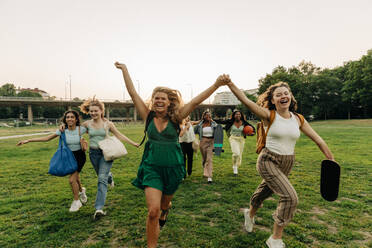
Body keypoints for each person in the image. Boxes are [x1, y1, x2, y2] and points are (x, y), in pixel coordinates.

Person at [115, 61, 229, 248]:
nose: (159, 101)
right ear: (152, 101)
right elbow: (133, 93)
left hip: (173, 167)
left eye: (163, 99)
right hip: (152, 167)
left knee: (164, 205)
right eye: (156, 98)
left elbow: (195, 101)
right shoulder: (148, 116)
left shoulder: (176, 118)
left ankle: (166, 211)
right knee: (152, 211)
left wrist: (216, 85)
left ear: (169, 102)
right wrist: (125, 70)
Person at [227, 80, 335, 248]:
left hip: (287, 162)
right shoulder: (268, 115)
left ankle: (250, 213)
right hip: (268, 160)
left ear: (290, 96)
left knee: (264, 192)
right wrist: (230, 84)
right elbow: (246, 102)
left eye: (286, 93)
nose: (283, 96)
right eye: (278, 95)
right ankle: (275, 239)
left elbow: (318, 139)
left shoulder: (298, 119)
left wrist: (330, 158)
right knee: (290, 197)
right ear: (273, 100)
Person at [79, 97, 139, 219]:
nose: (93, 113)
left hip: (106, 153)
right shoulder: (86, 124)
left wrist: (133, 143)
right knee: (103, 176)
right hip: (93, 154)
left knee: (101, 179)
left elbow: (119, 135)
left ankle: (99, 208)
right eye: (91, 111)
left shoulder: (108, 124)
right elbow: (75, 133)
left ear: (101, 111)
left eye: (96, 111)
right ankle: (110, 177)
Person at [17, 110, 88, 212]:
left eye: (72, 117)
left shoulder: (81, 129)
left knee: (72, 179)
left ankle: (76, 201)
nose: (70, 119)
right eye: (67, 117)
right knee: (75, 176)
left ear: (76, 119)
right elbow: (47, 138)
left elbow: (94, 129)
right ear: (65, 119)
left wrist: (85, 143)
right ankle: (82, 190)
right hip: (68, 156)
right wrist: (28, 140)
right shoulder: (62, 130)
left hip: (79, 156)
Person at [219, 110, 255, 175]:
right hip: (233, 138)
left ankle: (236, 165)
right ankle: (235, 166)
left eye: (239, 114)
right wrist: (211, 120)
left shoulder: (244, 122)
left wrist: (252, 133)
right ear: (234, 115)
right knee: (236, 153)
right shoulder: (230, 121)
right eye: (236, 114)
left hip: (241, 139)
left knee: (239, 154)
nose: (238, 115)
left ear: (241, 115)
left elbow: (253, 128)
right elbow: (221, 121)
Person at [193, 110, 218, 183]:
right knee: (204, 159)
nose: (208, 117)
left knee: (209, 159)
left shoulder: (214, 124)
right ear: (203, 116)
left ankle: (209, 177)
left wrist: (218, 146)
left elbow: (219, 132)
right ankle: (205, 168)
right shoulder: (200, 124)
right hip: (203, 141)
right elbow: (193, 131)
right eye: (206, 115)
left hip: (211, 142)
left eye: (209, 115)